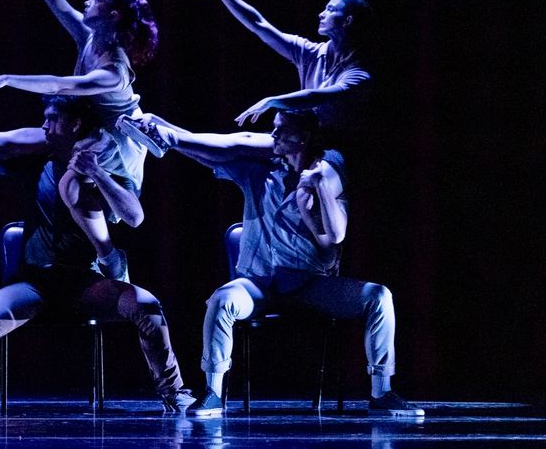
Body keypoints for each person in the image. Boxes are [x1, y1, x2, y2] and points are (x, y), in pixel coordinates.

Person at [0, 98, 195, 417]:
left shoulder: (105, 164)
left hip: (86, 286)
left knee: (146, 306)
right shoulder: (36, 163)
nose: (44, 126)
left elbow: (134, 216)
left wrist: (96, 173)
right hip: (34, 283)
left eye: (52, 119)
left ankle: (174, 391)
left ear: (75, 124)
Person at [128, 109, 422, 417]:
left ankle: (382, 392)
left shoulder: (328, 174)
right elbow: (212, 154)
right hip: (259, 285)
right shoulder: (260, 172)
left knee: (379, 296)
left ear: (303, 137)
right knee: (222, 298)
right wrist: (163, 130)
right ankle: (214, 393)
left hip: (309, 284)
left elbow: (336, 235)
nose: (273, 136)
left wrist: (319, 188)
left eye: (281, 130)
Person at [0, 0, 163, 278]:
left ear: (111, 15)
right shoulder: (89, 38)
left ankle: (109, 257)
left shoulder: (114, 70)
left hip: (117, 147)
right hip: (91, 132)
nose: (87, 1)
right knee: (50, 167)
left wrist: (9, 79)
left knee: (76, 186)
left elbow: (63, 85)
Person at [175, 0, 373, 129]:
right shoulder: (311, 53)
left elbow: (315, 96)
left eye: (330, 9)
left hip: (338, 148)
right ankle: (165, 133)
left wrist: (273, 101)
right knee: (239, 143)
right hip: (303, 141)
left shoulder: (359, 72)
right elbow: (259, 25)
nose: (321, 14)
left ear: (347, 21)